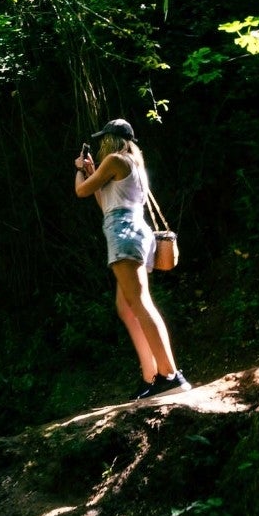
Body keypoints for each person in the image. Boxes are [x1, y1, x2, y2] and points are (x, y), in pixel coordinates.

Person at [74, 118, 190, 400]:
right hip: (133, 233)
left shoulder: (115, 159)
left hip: (124, 235)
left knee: (140, 303)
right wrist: (92, 173)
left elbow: (81, 190)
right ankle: (151, 375)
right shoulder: (131, 165)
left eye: (104, 140)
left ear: (112, 140)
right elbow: (106, 205)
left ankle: (170, 375)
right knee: (126, 307)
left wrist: (80, 171)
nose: (101, 146)